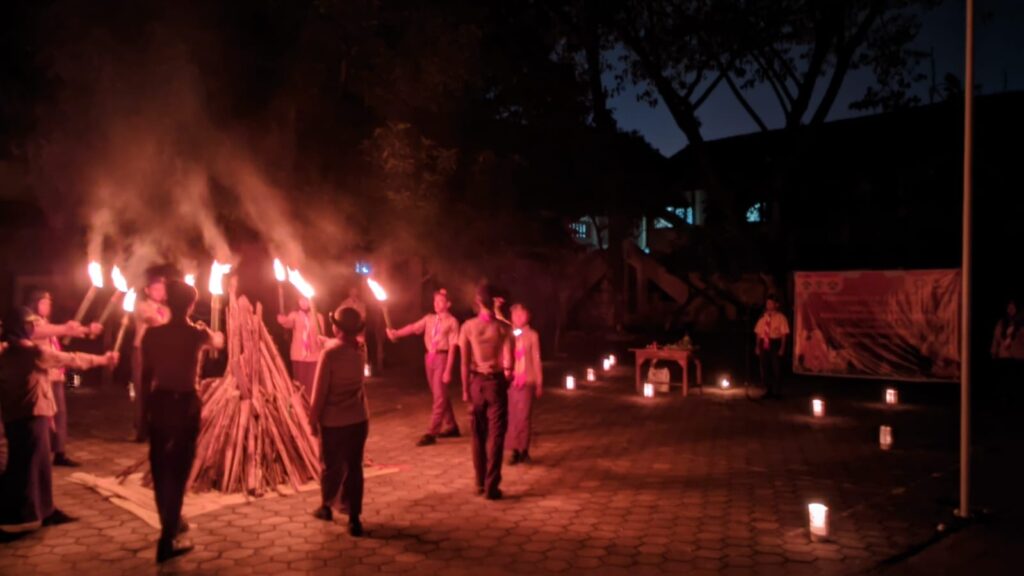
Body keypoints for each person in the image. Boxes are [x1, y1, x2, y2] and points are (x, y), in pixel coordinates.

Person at [0, 307, 116, 532]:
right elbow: (71, 359)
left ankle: (45, 510)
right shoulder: (32, 353)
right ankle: (17, 516)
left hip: (17, 417)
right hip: (32, 417)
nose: (34, 328)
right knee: (27, 467)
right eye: (30, 325)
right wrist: (103, 360)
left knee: (39, 464)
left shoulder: (6, 353)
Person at [140, 280, 224, 563]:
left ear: (165, 302)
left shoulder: (152, 334)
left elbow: (143, 377)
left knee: (161, 465)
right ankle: (168, 537)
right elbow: (218, 343)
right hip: (185, 403)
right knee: (179, 467)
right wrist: (216, 329)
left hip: (159, 402)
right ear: (190, 305)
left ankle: (170, 522)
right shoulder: (195, 334)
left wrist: (140, 415)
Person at [23, 290, 102, 467]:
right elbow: (49, 331)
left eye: (49, 302)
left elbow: (60, 332)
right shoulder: (30, 323)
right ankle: (38, 453)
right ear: (34, 303)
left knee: (60, 415)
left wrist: (87, 329)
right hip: (43, 378)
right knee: (44, 418)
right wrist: (67, 328)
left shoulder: (44, 322)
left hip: (56, 375)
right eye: (44, 302)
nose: (47, 305)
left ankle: (59, 452)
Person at [310, 307, 370, 537]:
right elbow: (346, 345)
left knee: (331, 466)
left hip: (334, 421)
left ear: (337, 328)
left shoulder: (329, 354)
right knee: (354, 467)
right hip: (358, 419)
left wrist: (312, 419)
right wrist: (329, 342)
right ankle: (354, 518)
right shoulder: (362, 349)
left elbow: (319, 392)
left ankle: (326, 507)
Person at [387, 288, 461, 447]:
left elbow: (453, 347)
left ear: (448, 304)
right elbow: (413, 328)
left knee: (439, 396)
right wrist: (397, 333)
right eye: (435, 301)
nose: (436, 304)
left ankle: (431, 432)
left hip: (442, 357)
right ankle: (452, 426)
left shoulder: (452, 322)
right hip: (430, 358)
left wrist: (448, 369)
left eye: (440, 301)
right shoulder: (429, 319)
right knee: (439, 394)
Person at [459, 282, 513, 500]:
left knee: (478, 434)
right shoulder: (502, 327)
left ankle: (480, 482)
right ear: (493, 301)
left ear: (477, 302)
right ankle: (492, 486)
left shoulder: (468, 327)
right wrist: (507, 377)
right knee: (497, 435)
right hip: (496, 382)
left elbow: (463, 363)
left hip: (476, 382)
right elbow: (509, 357)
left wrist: (464, 390)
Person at [132, 266, 170, 442]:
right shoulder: (141, 306)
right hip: (143, 350)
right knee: (142, 389)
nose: (159, 292)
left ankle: (158, 426)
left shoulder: (168, 309)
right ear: (147, 290)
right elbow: (156, 321)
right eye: (156, 288)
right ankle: (141, 429)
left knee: (159, 389)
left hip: (161, 352)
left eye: (162, 289)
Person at [507, 304, 542, 465]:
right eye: (515, 314)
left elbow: (536, 359)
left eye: (521, 314)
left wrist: (539, 382)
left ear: (528, 316)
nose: (518, 317)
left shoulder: (532, 335)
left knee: (524, 416)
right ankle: (514, 450)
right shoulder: (509, 334)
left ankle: (524, 450)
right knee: (512, 416)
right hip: (511, 380)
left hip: (527, 379)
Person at [276, 296, 326, 400]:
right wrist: (283, 321)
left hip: (314, 354)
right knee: (300, 382)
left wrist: (321, 341)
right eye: (301, 300)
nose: (304, 303)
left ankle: (312, 402)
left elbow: (322, 333)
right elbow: (289, 323)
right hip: (299, 354)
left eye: (306, 300)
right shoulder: (295, 315)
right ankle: (301, 404)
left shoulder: (318, 316)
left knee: (313, 382)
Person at [754, 293, 790, 398]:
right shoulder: (763, 317)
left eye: (770, 303)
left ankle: (777, 391)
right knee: (765, 366)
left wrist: (782, 347)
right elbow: (758, 333)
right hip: (764, 342)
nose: (768, 305)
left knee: (776, 367)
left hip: (775, 343)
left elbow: (784, 334)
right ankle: (768, 390)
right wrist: (757, 346)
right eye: (767, 303)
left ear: (776, 305)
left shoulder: (781, 317)